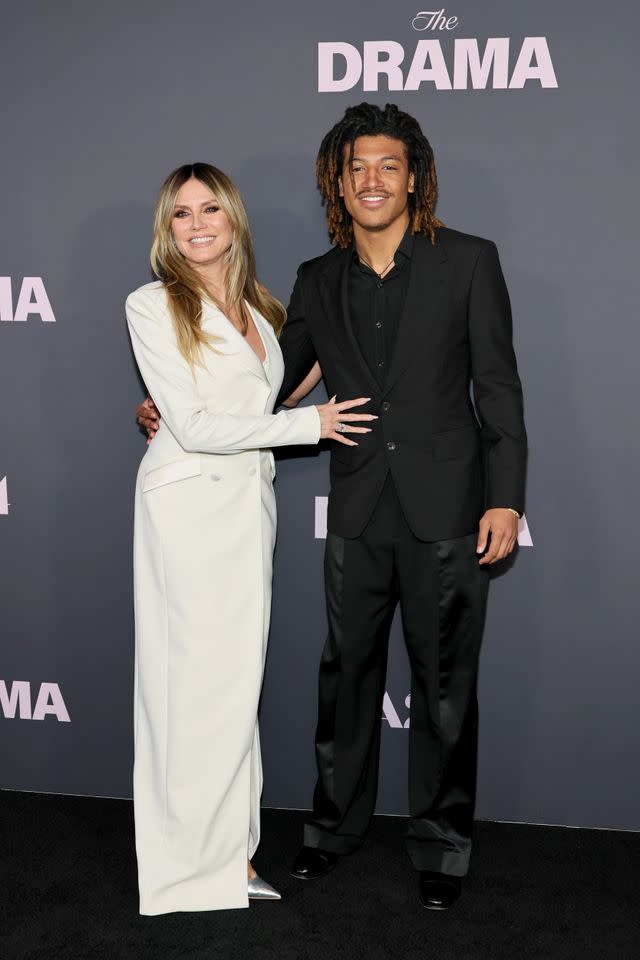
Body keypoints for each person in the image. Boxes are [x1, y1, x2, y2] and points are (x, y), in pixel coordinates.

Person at [138, 102, 527, 911]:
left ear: (413, 177)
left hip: (451, 507)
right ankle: (330, 832)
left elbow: (497, 388)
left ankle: (442, 848)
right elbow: (269, 383)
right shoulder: (315, 281)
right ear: (337, 184)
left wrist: (507, 501)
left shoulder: (469, 262)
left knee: (445, 684)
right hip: (356, 508)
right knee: (344, 679)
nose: (372, 180)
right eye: (356, 168)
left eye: (388, 165)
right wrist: (173, 411)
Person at [126, 162, 373, 915]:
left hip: (245, 510)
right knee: (186, 693)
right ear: (167, 231)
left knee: (233, 693)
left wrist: (337, 356)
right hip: (187, 509)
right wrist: (313, 425)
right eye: (180, 214)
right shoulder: (151, 303)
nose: (197, 225)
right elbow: (195, 426)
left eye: (210, 209)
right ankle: (179, 873)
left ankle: (229, 857)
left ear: (234, 219)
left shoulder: (263, 312)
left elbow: (266, 392)